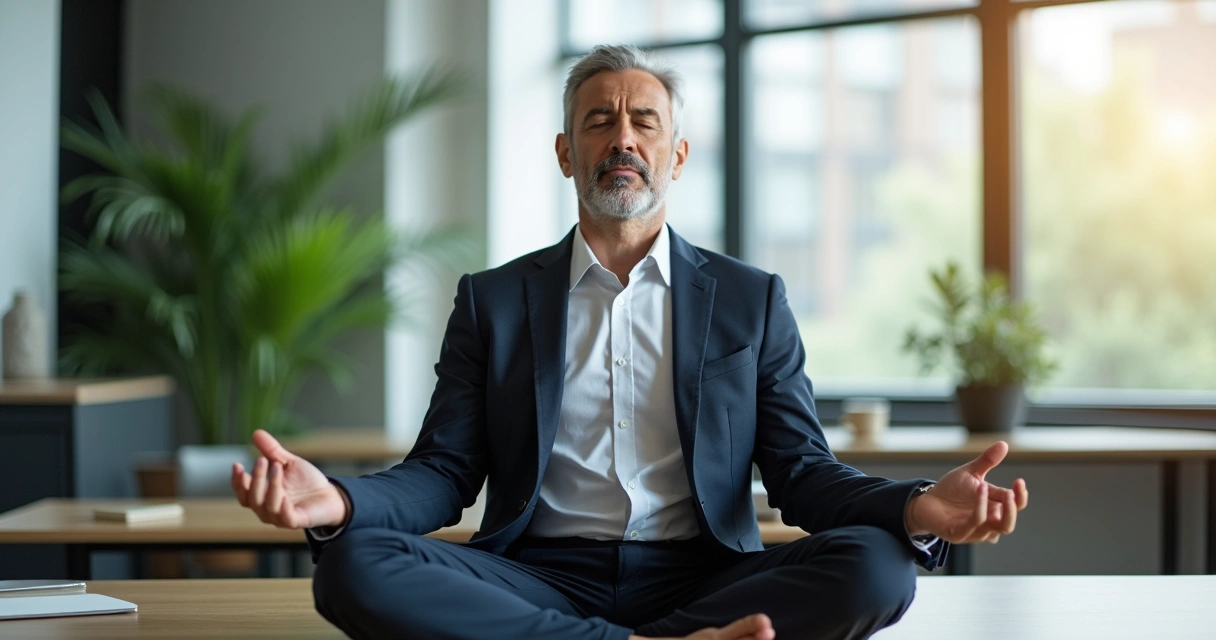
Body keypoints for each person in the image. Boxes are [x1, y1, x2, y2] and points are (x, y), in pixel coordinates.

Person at [231, 44, 1028, 640]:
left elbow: (802, 474)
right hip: (532, 577)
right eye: (598, 121)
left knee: (878, 564)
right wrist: (340, 502)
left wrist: (917, 507)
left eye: (645, 121)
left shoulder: (751, 301)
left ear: (676, 156)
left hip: (705, 576)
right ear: (565, 152)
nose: (623, 138)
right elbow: (441, 476)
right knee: (353, 565)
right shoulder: (494, 300)